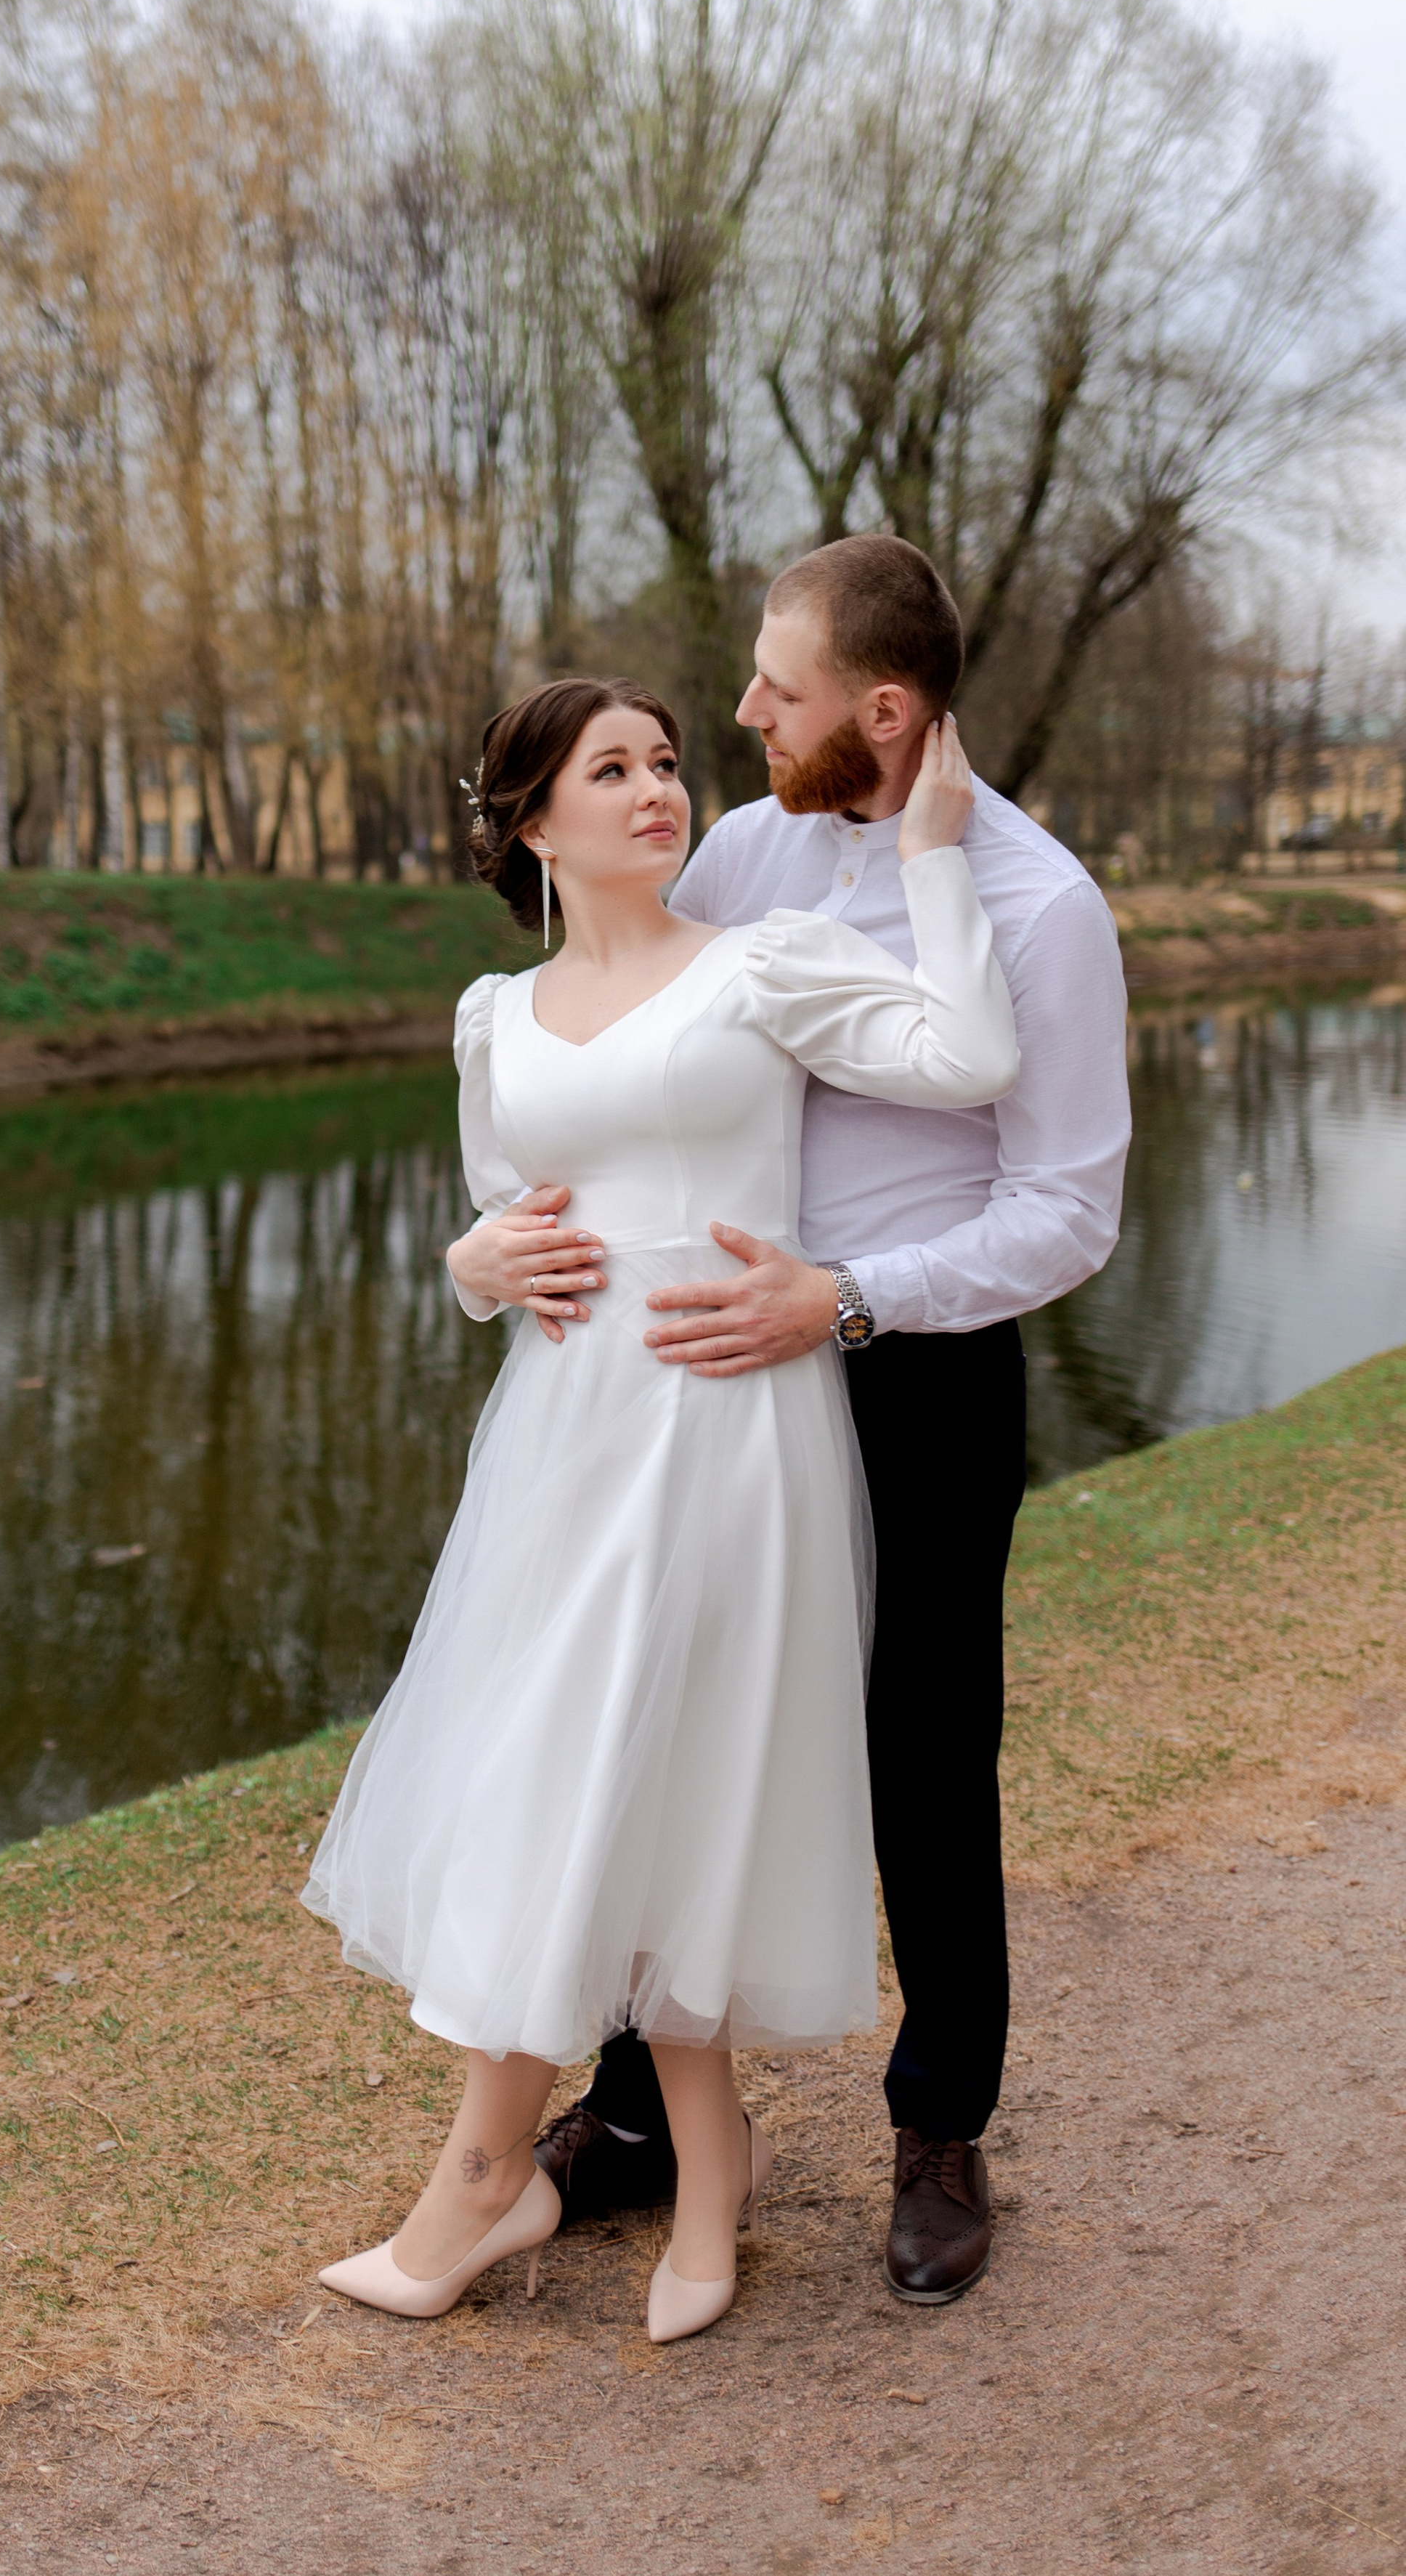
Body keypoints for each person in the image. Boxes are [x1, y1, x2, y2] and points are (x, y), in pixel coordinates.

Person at [301, 667, 1019, 2344]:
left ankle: (485, 2183)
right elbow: (504, 1222)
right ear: (533, 821)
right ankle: (703, 2164)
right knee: (575, 1775)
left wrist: (930, 851)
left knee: (655, 1778)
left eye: (666, 762)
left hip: (724, 1423)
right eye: (608, 770)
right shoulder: (493, 1015)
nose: (655, 790)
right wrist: (470, 1266)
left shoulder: (757, 970)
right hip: (562, 1440)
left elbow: (967, 1050)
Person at [456, 537, 1129, 2307]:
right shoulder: (743, 846)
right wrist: (509, 1241)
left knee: (917, 1743)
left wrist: (843, 1295)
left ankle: (938, 2125)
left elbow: (1065, 1209)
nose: (738, 712)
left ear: (883, 713)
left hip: (905, 1357)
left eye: (780, 687)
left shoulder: (1037, 905)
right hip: (697, 1369)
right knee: (657, 1723)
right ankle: (638, 2115)